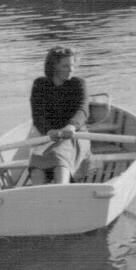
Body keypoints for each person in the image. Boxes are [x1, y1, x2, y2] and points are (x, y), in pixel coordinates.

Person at [28, 46, 92, 185]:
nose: (71, 70)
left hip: (75, 134)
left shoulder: (78, 84)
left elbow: (82, 110)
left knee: (60, 158)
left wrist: (71, 126)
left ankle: (61, 191)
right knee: (37, 165)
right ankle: (39, 197)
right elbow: (37, 115)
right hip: (49, 135)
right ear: (54, 67)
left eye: (73, 65)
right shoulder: (40, 85)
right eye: (66, 66)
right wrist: (49, 131)